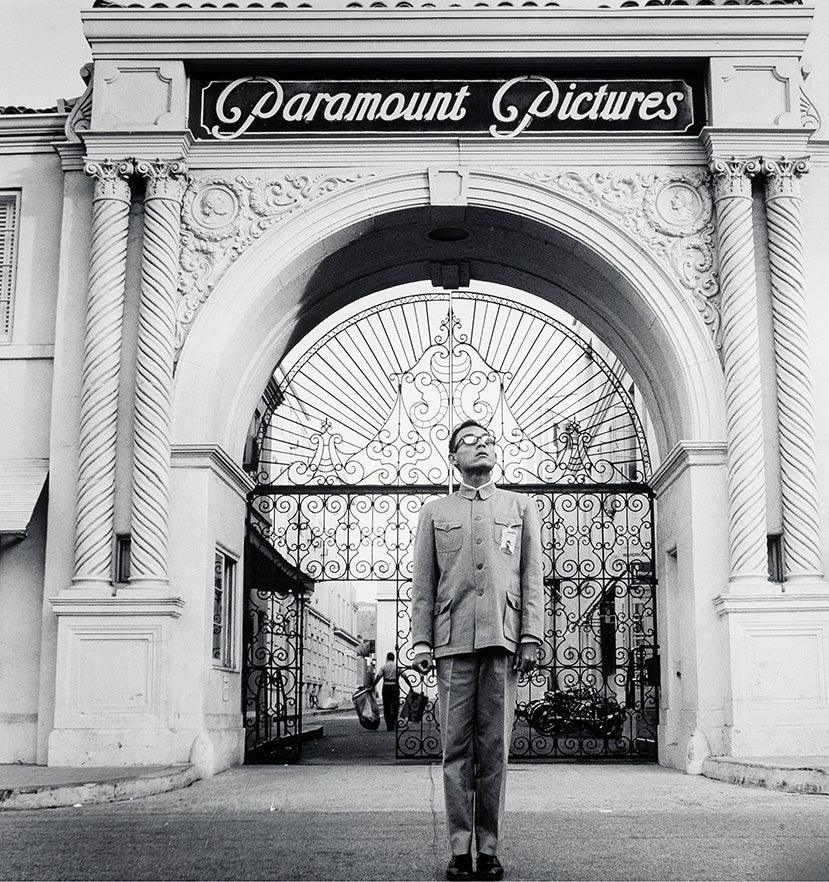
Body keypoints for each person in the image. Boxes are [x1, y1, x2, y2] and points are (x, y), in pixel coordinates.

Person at [411, 419, 543, 882]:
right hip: (451, 642)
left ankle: (488, 849)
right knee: (455, 751)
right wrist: (422, 639)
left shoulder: (520, 507)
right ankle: (458, 849)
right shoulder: (434, 511)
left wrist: (531, 635)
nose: (482, 444)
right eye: (470, 440)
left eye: (488, 439)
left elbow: (530, 577)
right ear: (453, 457)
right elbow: (424, 582)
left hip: (503, 639)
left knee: (495, 749)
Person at [372, 651, 399, 731]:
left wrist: (373, 686)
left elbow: (378, 677)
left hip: (386, 688)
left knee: (386, 707)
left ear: (387, 658)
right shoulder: (397, 667)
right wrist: (410, 686)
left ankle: (388, 726)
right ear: (394, 658)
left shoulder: (384, 667)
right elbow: (405, 677)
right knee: (395, 707)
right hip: (395, 687)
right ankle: (393, 724)